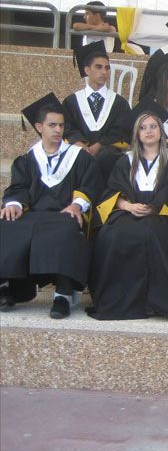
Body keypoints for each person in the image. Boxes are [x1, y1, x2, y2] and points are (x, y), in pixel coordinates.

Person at [0, 94, 101, 318]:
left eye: (61, 125)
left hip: (63, 214)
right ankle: (7, 288)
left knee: (65, 229)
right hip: (33, 214)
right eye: (52, 125)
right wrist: (14, 204)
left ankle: (62, 296)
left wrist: (77, 205)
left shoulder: (79, 157)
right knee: (6, 223)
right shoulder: (27, 159)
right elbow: (18, 187)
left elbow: (90, 186)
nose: (58, 130)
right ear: (39, 127)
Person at [88, 111, 168, 322]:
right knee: (113, 234)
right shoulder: (125, 161)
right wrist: (127, 205)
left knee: (150, 233)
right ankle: (120, 302)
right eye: (143, 128)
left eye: (153, 126)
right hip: (129, 211)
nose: (148, 131)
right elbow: (111, 192)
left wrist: (155, 208)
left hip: (162, 214)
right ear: (137, 133)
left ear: (161, 131)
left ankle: (156, 302)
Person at [62, 40, 132, 181]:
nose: (104, 72)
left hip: (108, 155)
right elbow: (67, 127)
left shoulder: (119, 103)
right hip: (79, 150)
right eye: (98, 67)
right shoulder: (71, 101)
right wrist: (78, 142)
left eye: (107, 68)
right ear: (87, 70)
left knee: (107, 156)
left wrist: (100, 145)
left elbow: (122, 130)